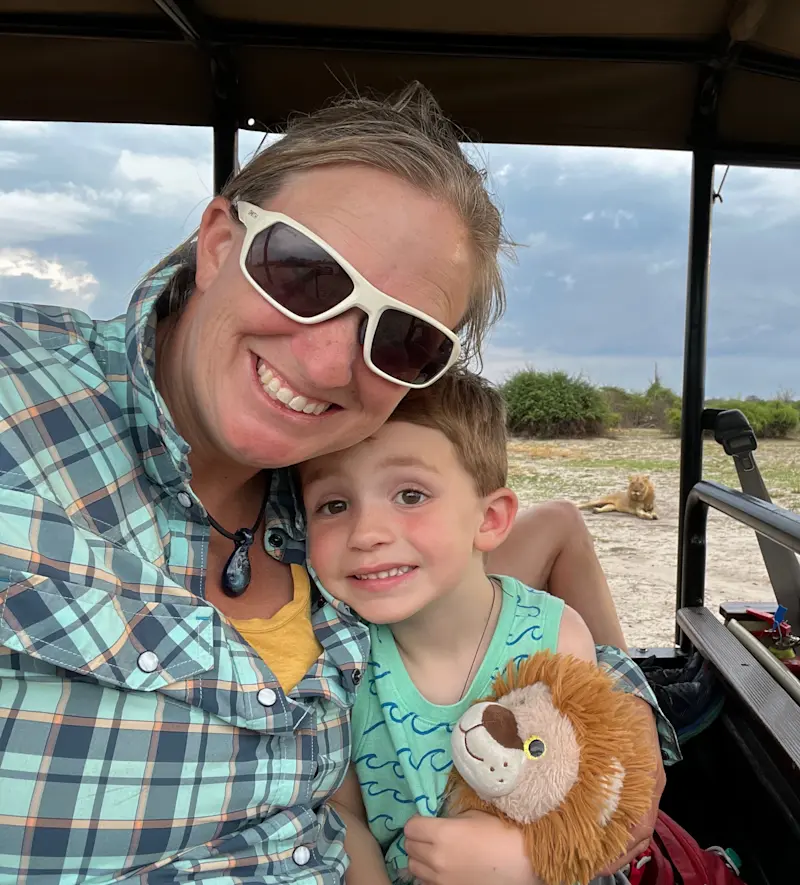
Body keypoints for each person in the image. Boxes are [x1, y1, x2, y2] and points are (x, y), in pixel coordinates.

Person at [0, 82, 671, 884]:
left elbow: (514, 605)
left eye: (403, 339)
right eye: (304, 273)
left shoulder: (334, 491)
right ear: (218, 241)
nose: (326, 362)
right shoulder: (20, 398)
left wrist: (619, 727)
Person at [299, 369, 678, 885]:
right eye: (334, 505)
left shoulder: (556, 637)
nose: (366, 533)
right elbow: (345, 817)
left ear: (491, 519)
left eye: (410, 495)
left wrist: (522, 863)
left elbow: (600, 795)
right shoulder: (339, 659)